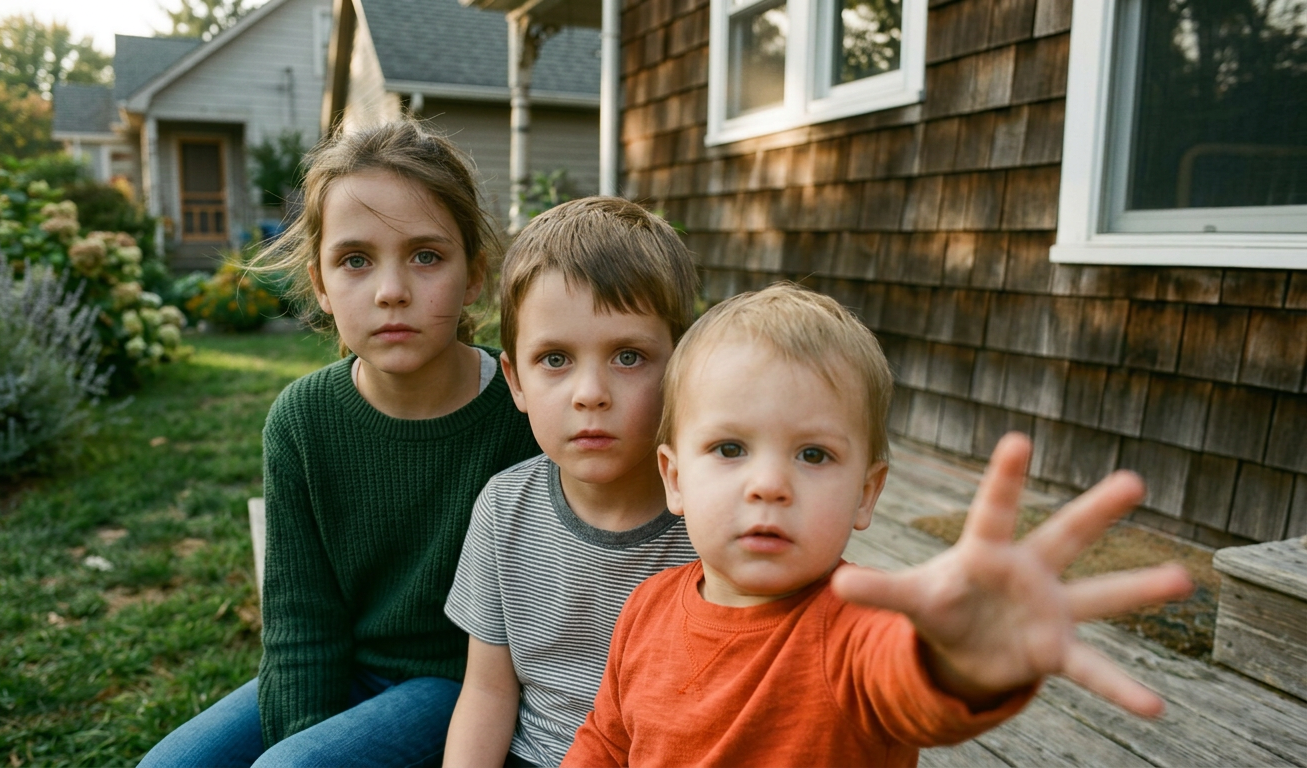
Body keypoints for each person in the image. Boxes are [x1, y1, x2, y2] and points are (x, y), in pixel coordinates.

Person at [564, 283, 1195, 768]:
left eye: (814, 455)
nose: (768, 484)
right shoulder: (646, 607)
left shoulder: (857, 626)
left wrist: (962, 659)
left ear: (867, 493)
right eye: (730, 448)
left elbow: (911, 689)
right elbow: (607, 737)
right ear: (674, 478)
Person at [138, 121, 540, 768]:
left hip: (462, 684)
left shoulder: (525, 409)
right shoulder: (301, 421)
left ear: (473, 277)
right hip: (350, 669)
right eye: (355, 260)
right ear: (321, 286)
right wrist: (306, 739)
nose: (391, 291)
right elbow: (300, 622)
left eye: (426, 256)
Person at [441, 197, 702, 768]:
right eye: (555, 359)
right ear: (515, 380)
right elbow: (487, 692)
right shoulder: (504, 509)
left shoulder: (707, 523)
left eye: (628, 356)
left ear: (682, 368)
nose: (590, 393)